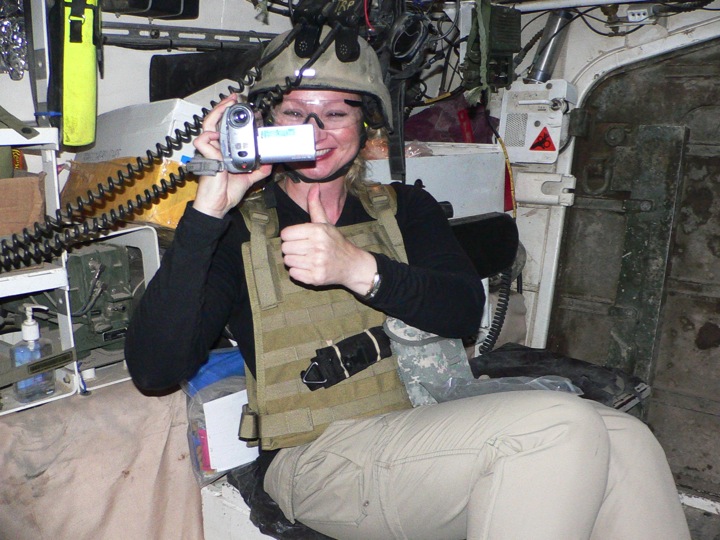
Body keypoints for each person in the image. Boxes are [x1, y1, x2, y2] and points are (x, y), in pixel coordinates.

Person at [124, 29, 691, 540]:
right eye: (296, 114)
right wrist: (209, 207)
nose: (316, 132)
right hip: (316, 456)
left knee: (626, 440)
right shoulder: (235, 231)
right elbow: (155, 370)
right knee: (558, 429)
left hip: (421, 421)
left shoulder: (405, 209)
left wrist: (358, 269)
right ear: (265, 126)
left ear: (365, 125)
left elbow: (464, 311)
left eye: (337, 114)